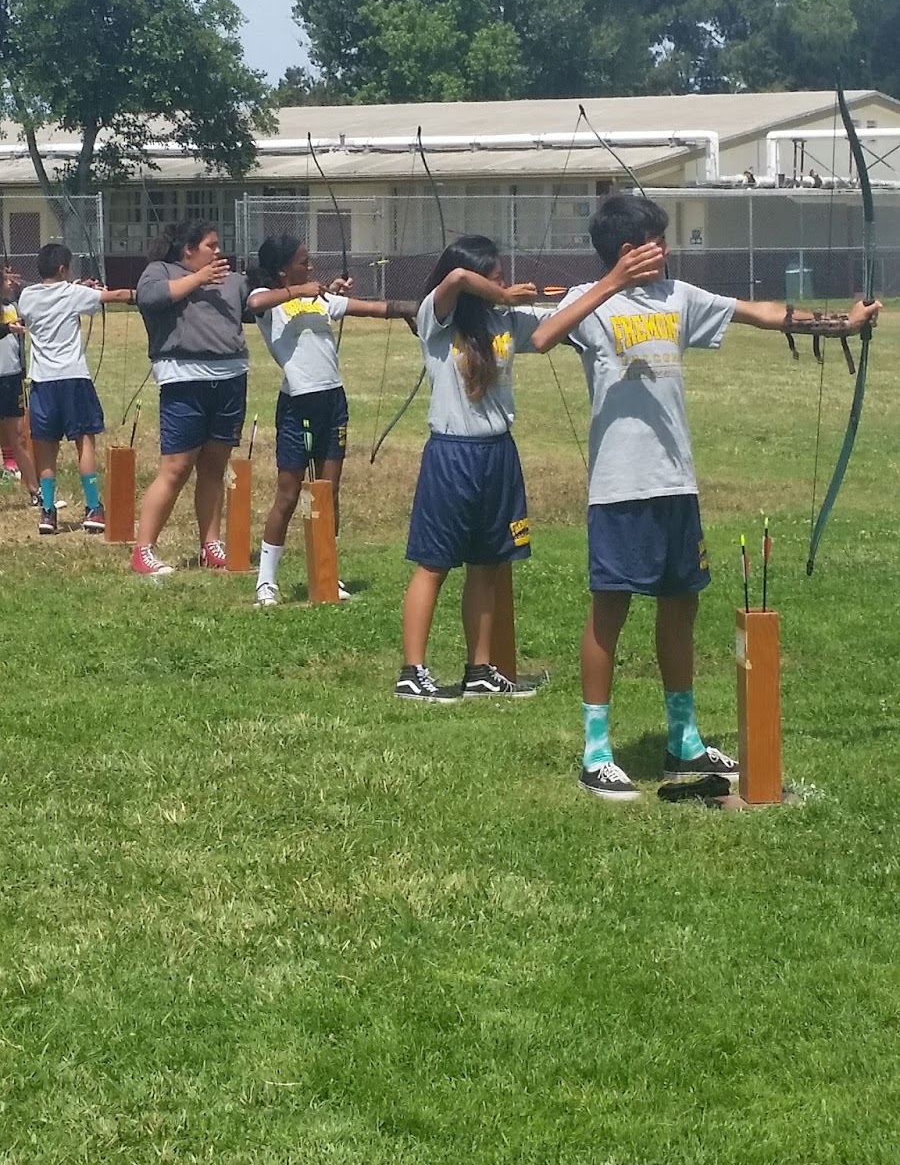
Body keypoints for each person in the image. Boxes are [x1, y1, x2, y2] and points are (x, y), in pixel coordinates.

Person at [530, 194, 881, 800]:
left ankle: (682, 738)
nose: (665, 251)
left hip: (676, 483)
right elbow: (541, 338)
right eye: (655, 242)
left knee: (680, 606)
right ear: (627, 250)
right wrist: (611, 283)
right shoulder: (590, 301)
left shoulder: (679, 298)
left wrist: (838, 325)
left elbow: (761, 313)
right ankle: (596, 751)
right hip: (620, 487)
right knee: (609, 609)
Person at [394, 232, 664, 703]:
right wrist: (498, 292)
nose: (503, 284)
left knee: (488, 564)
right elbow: (456, 277)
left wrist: (611, 286)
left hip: (497, 453)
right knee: (434, 564)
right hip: (452, 454)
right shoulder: (437, 319)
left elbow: (553, 327)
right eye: (495, 277)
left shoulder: (504, 322)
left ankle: (479, 668)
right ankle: (412, 670)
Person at [247, 234, 416, 608]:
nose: (311, 267)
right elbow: (256, 301)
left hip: (333, 402)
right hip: (297, 405)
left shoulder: (320, 300)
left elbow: (373, 308)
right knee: (289, 495)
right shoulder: (270, 302)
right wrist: (300, 291)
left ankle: (326, 571)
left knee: (328, 492)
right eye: (303, 261)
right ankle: (266, 582)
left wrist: (411, 309)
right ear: (282, 270)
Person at [132, 221, 251, 576]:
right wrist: (198, 279)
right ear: (188, 249)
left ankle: (210, 544)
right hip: (184, 380)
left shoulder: (229, 280)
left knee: (214, 466)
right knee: (177, 467)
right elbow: (150, 298)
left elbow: (256, 302)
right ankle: (143, 551)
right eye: (210, 246)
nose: (218, 252)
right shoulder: (160, 272)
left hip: (230, 379)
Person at [16, 244, 134, 534]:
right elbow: (114, 296)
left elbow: (48, 296)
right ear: (62, 269)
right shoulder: (73, 293)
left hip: (43, 382)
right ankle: (93, 508)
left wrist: (78, 286)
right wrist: (139, 294)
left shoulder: (27, 297)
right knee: (84, 442)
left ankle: (47, 512)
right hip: (73, 378)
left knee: (46, 448)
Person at [0, 268, 40, 504]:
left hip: (11, 377)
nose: (10, 282)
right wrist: (6, 329)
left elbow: (35, 290)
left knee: (20, 437)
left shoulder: (12, 308)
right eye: (5, 280)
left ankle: (36, 492)